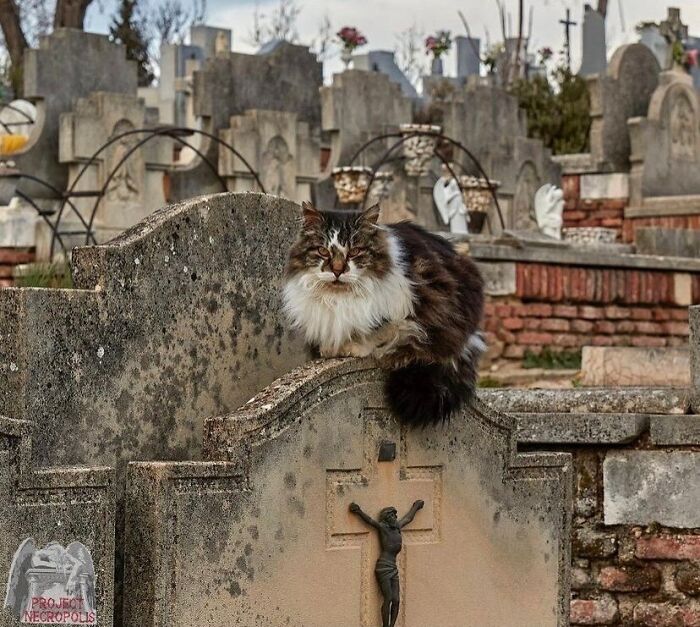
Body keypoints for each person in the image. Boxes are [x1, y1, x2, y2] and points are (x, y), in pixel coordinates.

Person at [349, 500, 424, 627]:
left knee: (396, 600)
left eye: (394, 515)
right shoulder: (383, 528)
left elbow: (408, 518)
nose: (394, 517)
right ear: (385, 520)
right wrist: (359, 511)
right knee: (388, 598)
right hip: (383, 566)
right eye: (390, 516)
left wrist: (416, 507)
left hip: (393, 567)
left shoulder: (398, 527)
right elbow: (370, 521)